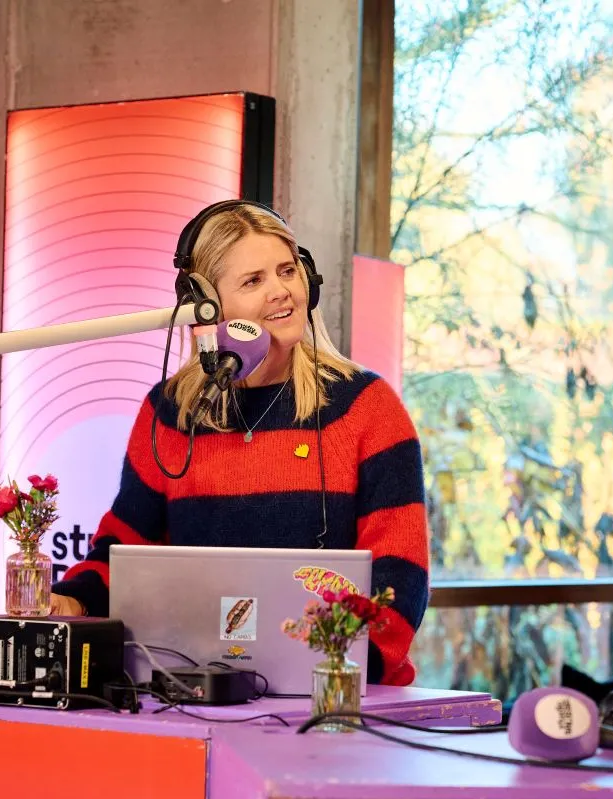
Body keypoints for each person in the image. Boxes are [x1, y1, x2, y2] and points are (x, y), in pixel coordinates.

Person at [50, 202, 430, 686]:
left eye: (287, 270)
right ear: (205, 306)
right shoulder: (170, 413)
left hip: (337, 697)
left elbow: (401, 579)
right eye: (253, 281)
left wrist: (335, 672)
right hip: (195, 692)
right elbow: (124, 555)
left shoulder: (366, 407)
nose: (281, 291)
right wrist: (71, 601)